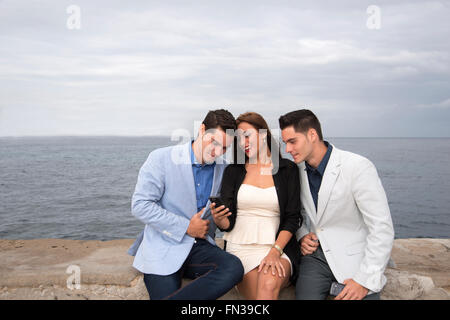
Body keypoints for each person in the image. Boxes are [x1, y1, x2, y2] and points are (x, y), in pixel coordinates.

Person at [127, 109, 244, 300]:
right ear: (202, 129)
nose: (217, 152)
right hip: (163, 247)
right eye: (213, 142)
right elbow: (140, 205)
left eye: (224, 148)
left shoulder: (225, 169)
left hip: (200, 248)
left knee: (234, 267)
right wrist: (186, 227)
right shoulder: (161, 158)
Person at [279, 109, 395, 300]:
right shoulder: (296, 170)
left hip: (356, 257)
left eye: (292, 142)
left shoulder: (357, 166)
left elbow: (381, 227)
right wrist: (302, 236)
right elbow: (297, 212)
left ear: (312, 135)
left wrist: (364, 280)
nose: (288, 150)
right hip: (315, 258)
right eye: (285, 143)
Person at [211, 112, 302, 300]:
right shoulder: (233, 171)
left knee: (268, 284)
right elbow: (228, 223)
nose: (242, 143)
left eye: (246, 135)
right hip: (239, 248)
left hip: (277, 246)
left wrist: (275, 251)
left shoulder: (287, 169)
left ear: (262, 133)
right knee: (257, 296)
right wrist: (220, 220)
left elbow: (293, 217)